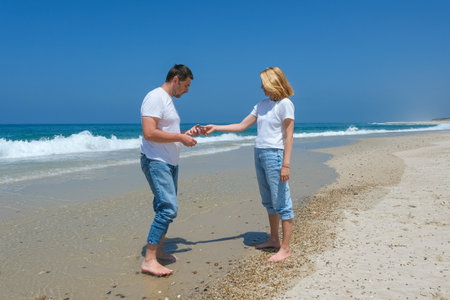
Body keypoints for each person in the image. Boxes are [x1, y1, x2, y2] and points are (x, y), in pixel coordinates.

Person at [202, 67, 295, 262]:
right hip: (259, 153)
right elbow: (242, 126)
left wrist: (286, 164)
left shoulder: (286, 104)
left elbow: (288, 135)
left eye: (264, 83)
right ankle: (274, 239)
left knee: (282, 203)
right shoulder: (261, 105)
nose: (261, 87)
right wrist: (216, 127)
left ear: (273, 82)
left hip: (275, 155)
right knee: (268, 201)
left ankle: (285, 249)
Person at [140, 64, 201, 276]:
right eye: (186, 85)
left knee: (163, 207)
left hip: (169, 162)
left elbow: (167, 131)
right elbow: (149, 133)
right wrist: (179, 137)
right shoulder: (155, 97)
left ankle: (159, 251)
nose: (187, 90)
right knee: (168, 208)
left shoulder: (168, 101)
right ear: (176, 80)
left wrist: (186, 133)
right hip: (156, 161)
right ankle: (149, 260)